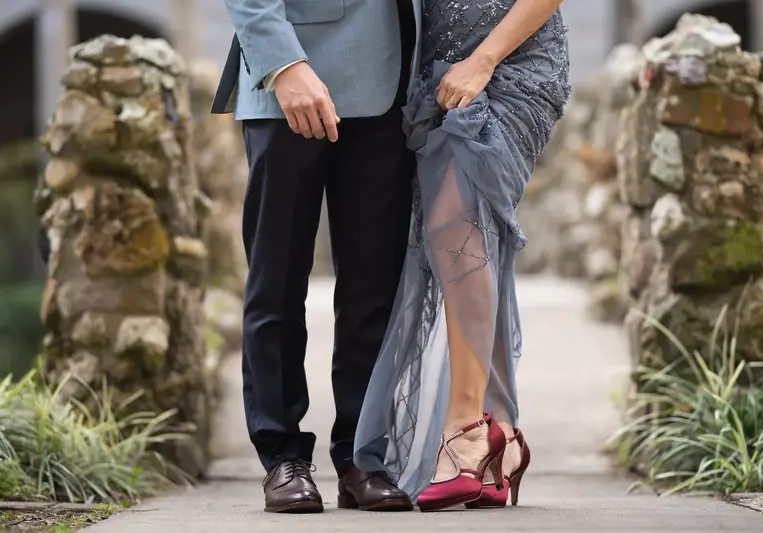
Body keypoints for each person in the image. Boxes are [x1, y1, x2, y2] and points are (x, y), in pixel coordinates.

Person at [354, 0, 570, 511]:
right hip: (441, 70)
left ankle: (467, 432)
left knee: (454, 226)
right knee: (472, 237)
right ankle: (503, 433)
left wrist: (484, 60)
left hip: (515, 64)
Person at [213, 0, 418, 514]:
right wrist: (283, 64)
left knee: (375, 284)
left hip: (391, 75)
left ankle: (363, 456)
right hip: (289, 80)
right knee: (277, 282)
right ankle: (282, 457)